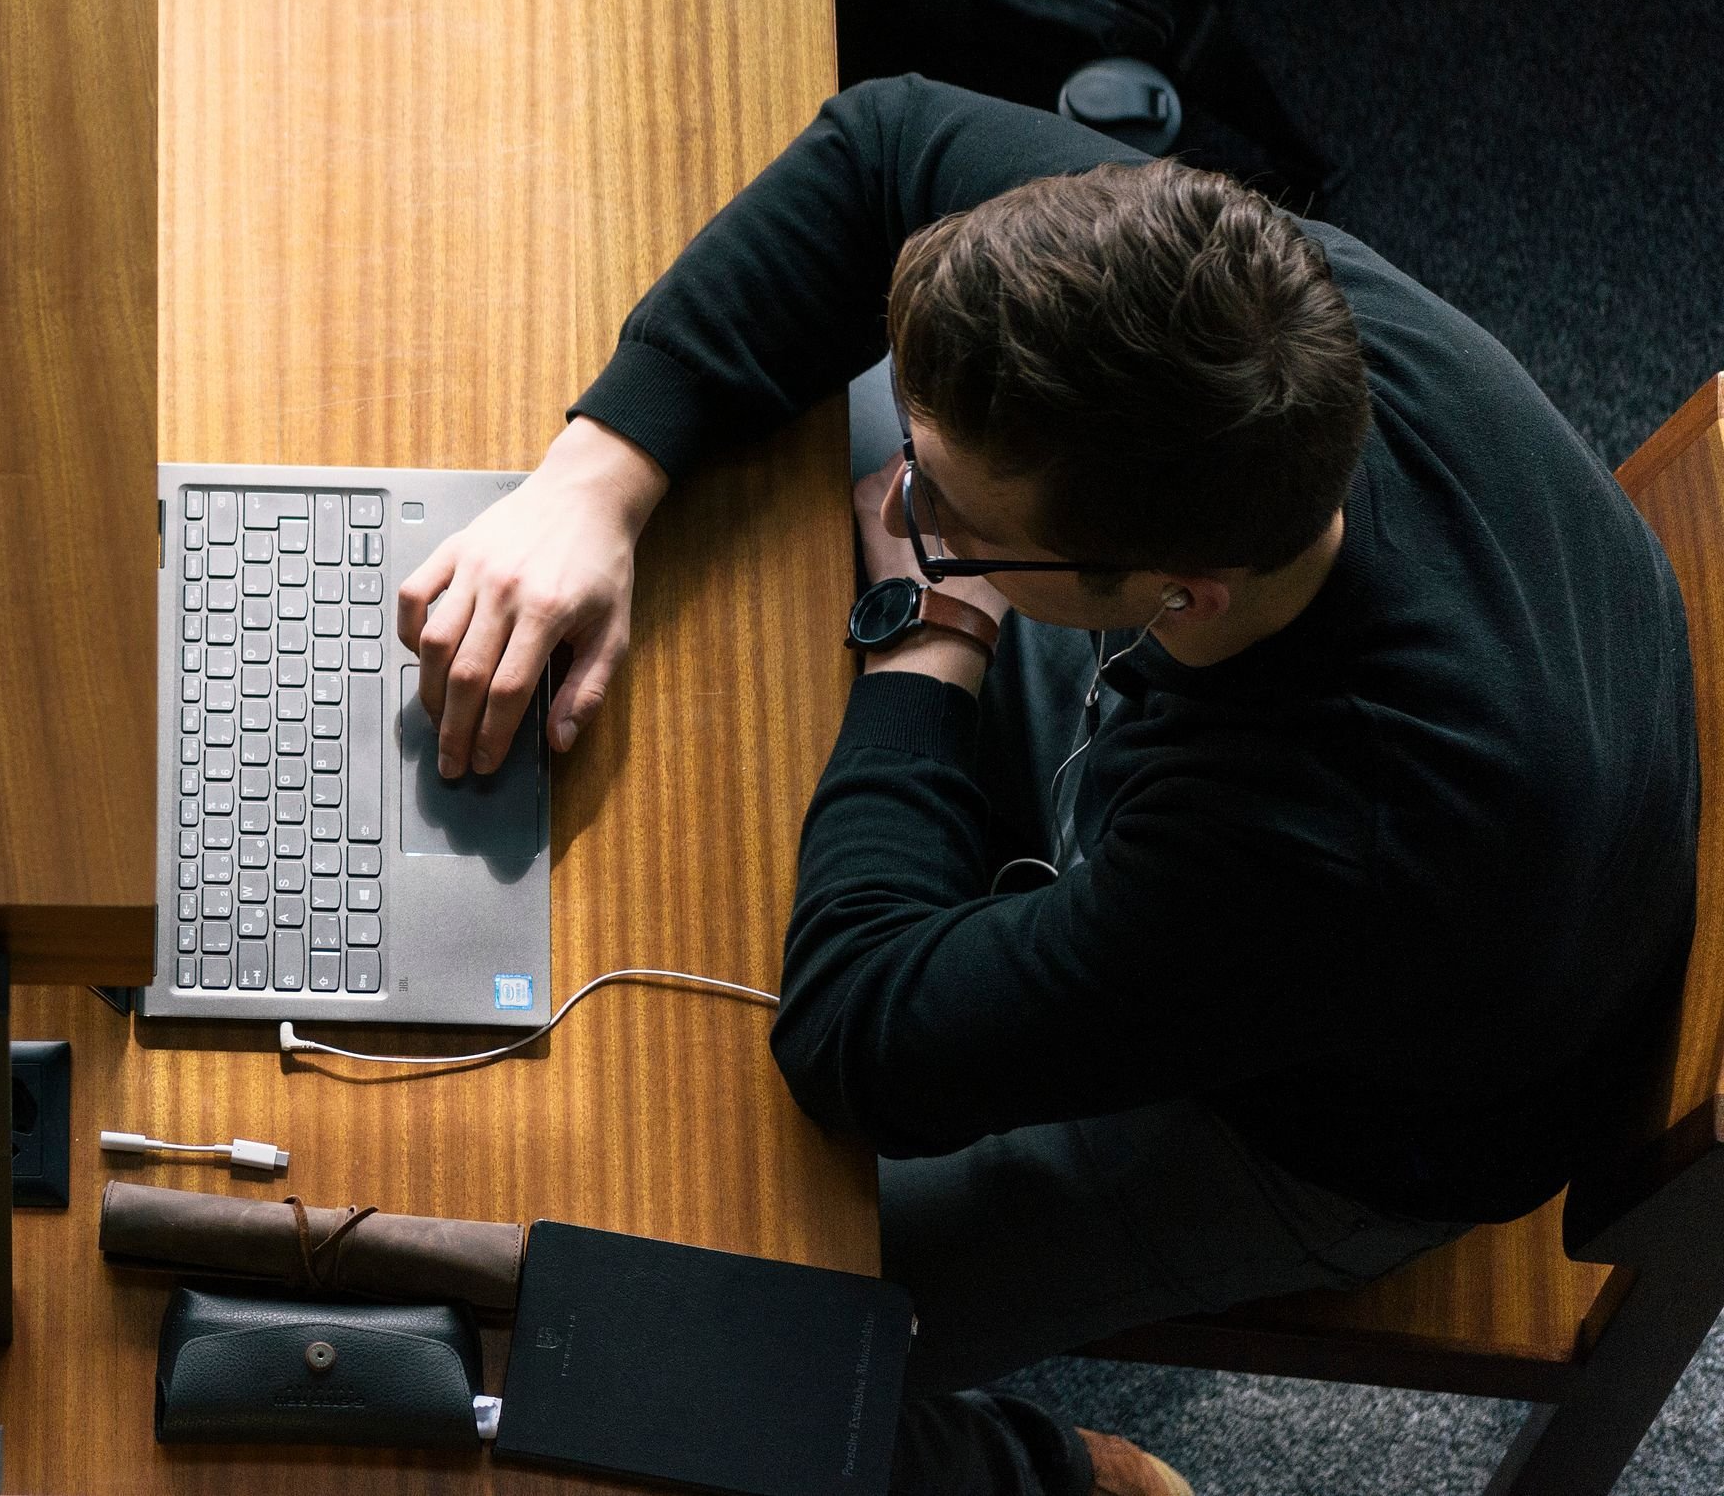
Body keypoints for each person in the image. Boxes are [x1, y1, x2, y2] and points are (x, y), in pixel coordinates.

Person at [397, 76, 1698, 1496]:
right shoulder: (1252, 311)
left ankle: (1065, 1479)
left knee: (669, 1327)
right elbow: (882, 140)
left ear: (1168, 592)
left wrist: (931, 635)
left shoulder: (1319, 847)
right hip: (1414, 836)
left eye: (950, 509)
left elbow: (856, 1042)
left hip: (1329, 1120)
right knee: (760, 441)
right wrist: (596, 479)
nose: (908, 505)